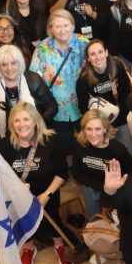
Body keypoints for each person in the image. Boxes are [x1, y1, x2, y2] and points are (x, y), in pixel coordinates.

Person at [0, 102, 75, 264]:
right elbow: (1, 174)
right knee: (23, 221)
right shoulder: (4, 145)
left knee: (54, 218)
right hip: (20, 197)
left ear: (35, 121)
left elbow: (62, 173)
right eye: (16, 120)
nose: (21, 124)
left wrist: (47, 194)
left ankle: (59, 245)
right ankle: (29, 248)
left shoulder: (51, 141)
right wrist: (16, 187)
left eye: (26, 119)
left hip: (48, 193)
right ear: (11, 124)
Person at [30, 9, 89, 156]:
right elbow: (33, 77)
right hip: (56, 108)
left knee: (87, 139)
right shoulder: (43, 47)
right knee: (64, 144)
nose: (62, 30)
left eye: (65, 25)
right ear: (50, 28)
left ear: (73, 25)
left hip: (83, 103)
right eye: (57, 26)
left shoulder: (84, 43)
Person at [77, 38, 132, 153]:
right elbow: (84, 109)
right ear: (88, 59)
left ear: (106, 52)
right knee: (105, 154)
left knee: (128, 151)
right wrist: (105, 126)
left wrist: (116, 123)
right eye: (93, 54)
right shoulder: (83, 80)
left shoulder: (117, 67)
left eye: (100, 52)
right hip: (100, 125)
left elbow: (125, 98)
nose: (97, 57)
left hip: (121, 119)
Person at [0, 44, 58, 138]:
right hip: (6, 140)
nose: (9, 68)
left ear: (20, 63)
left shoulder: (34, 80)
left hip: (36, 135)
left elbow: (52, 106)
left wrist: (36, 124)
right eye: (4, 65)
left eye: (13, 63)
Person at [72, 109, 132, 217]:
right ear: (83, 129)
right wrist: (102, 187)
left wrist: (111, 189)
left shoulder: (118, 150)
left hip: (115, 188)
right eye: (89, 129)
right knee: (93, 219)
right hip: (91, 186)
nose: (93, 134)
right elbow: (76, 173)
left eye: (98, 129)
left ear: (105, 129)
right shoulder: (80, 145)